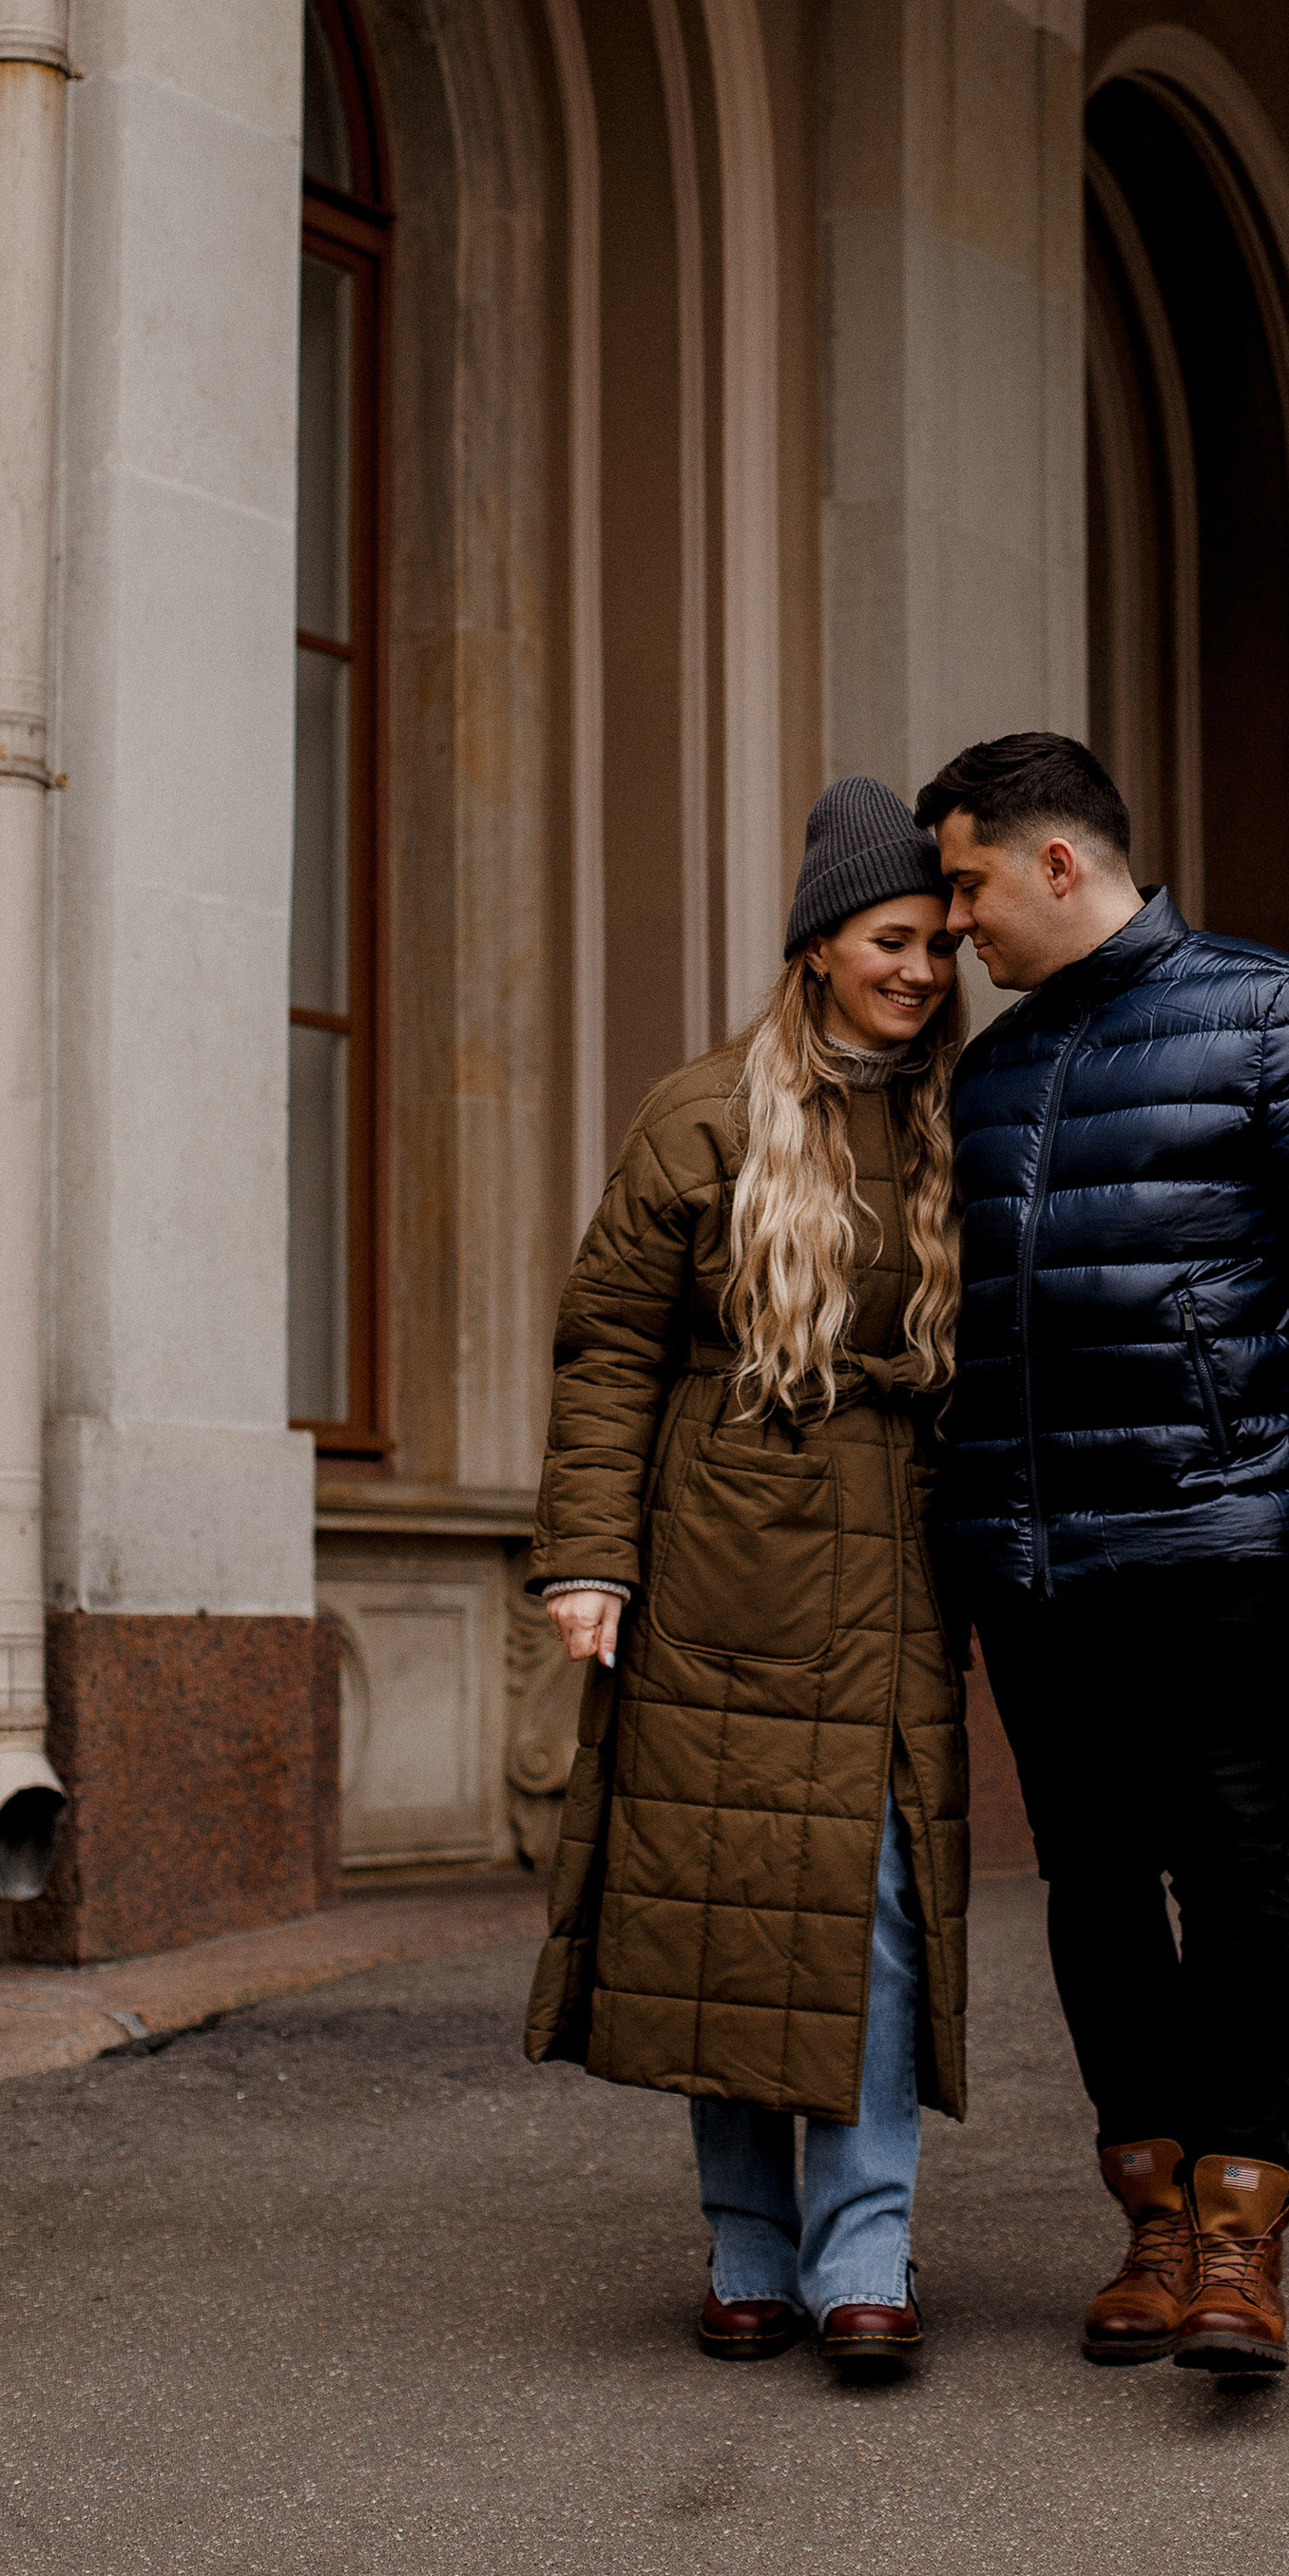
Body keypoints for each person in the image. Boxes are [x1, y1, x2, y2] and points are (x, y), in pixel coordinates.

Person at [914, 730, 1289, 2382]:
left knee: (1228, 1857)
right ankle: (1147, 2211)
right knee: (1085, 1876)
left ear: (1059, 863)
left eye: (969, 883)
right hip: (1033, 1550)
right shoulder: (986, 1074)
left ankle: (1239, 2221)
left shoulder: (1278, 1013)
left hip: (1225, 1533)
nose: (953, 927)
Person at [523, 777, 971, 2379]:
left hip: (895, 1554)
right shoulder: (701, 1112)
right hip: (716, 1555)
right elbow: (607, 1349)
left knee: (876, 1911)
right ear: (820, 946)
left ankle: (867, 2256)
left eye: (937, 945)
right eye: (892, 940)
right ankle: (747, 2252)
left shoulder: (954, 1121)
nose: (920, 972)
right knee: (722, 1903)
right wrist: (588, 1553)